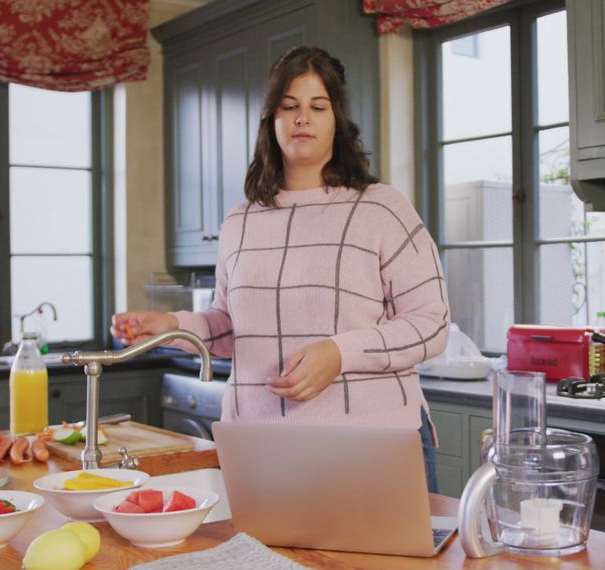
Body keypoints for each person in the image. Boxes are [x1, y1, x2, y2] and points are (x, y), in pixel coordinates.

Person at [111, 46, 449, 492]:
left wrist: (338, 354)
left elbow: (431, 324)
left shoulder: (380, 208)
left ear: (337, 121)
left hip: (374, 444)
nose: (302, 119)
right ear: (271, 121)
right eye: (289, 107)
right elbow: (233, 329)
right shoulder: (240, 220)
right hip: (263, 446)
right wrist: (171, 326)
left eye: (317, 106)